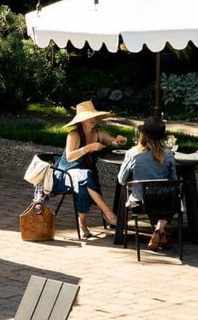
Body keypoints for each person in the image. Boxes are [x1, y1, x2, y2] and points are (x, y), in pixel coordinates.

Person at [54, 101, 125, 239]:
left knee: (84, 179)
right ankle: (108, 214)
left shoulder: (99, 133)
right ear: (81, 121)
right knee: (84, 178)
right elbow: (69, 157)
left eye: (93, 116)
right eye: (88, 117)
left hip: (85, 174)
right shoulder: (73, 135)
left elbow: (114, 142)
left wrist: (120, 140)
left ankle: (84, 223)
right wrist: (88, 147)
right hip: (65, 174)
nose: (93, 120)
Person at [117, 117, 181, 251]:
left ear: (142, 135)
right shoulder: (168, 155)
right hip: (166, 202)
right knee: (175, 198)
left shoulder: (132, 154)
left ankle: (158, 232)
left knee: (154, 199)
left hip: (140, 203)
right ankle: (159, 231)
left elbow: (122, 180)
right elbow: (174, 180)